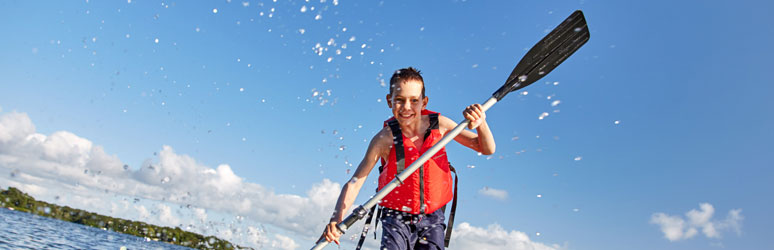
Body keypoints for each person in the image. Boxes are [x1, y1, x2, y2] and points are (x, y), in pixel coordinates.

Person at [322, 67, 496, 250]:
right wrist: (336, 220)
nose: (406, 107)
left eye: (414, 100)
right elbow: (355, 183)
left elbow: (486, 148)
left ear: (424, 102)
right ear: (389, 101)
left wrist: (481, 123)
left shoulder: (441, 125)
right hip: (396, 216)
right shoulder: (383, 139)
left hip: (432, 218)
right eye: (399, 100)